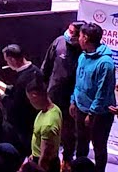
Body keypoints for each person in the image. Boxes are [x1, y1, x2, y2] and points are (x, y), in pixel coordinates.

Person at [70, 22, 116, 172]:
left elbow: (102, 93)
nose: (79, 38)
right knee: (81, 144)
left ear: (87, 38)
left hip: (99, 114)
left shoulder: (106, 63)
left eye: (81, 36)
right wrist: (73, 100)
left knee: (99, 146)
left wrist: (92, 113)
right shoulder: (82, 56)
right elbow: (78, 81)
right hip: (80, 108)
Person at [41, 21, 83, 166]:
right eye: (69, 30)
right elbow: (46, 66)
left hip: (71, 101)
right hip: (53, 95)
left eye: (73, 33)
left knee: (68, 133)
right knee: (48, 129)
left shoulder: (84, 52)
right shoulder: (59, 42)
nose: (69, 34)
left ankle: (66, 161)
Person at [0, 44, 41, 149]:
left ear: (13, 60)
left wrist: (2, 97)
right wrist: (6, 88)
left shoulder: (23, 78)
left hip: (25, 125)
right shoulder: (35, 70)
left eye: (7, 61)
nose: (7, 63)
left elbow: (16, 107)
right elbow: (21, 93)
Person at [26, 79, 62, 172]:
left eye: (30, 99)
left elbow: (45, 156)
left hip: (45, 165)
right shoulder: (54, 109)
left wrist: (39, 167)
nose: (30, 102)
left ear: (35, 96)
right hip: (38, 157)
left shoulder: (48, 124)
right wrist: (33, 154)